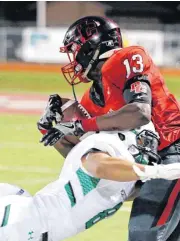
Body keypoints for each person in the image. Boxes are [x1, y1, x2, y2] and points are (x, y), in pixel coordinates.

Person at [38, 16, 180, 241]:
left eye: (75, 51)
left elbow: (139, 113)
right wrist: (51, 131)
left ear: (90, 47)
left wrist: (80, 124)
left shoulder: (127, 57)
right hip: (150, 165)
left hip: (172, 152)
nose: (74, 59)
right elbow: (85, 158)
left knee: (144, 234)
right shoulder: (92, 98)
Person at [1, 125, 180, 241]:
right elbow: (98, 165)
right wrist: (157, 171)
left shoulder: (124, 176)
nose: (149, 148)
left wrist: (159, 175)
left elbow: (132, 189)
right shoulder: (106, 147)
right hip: (18, 224)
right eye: (144, 141)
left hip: (27, 219)